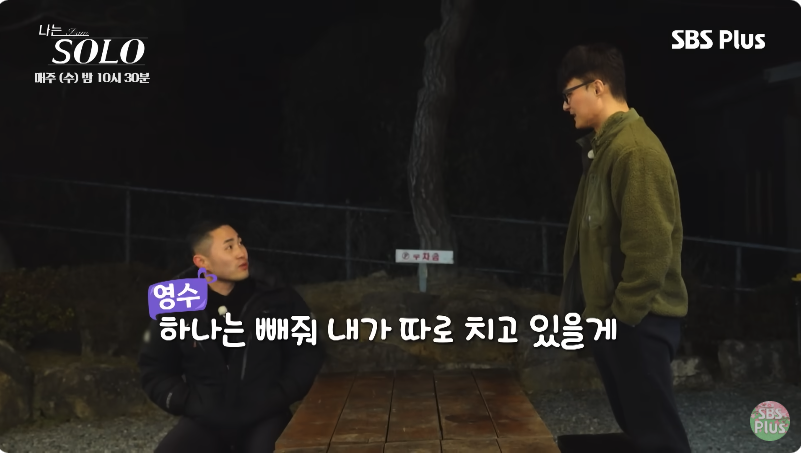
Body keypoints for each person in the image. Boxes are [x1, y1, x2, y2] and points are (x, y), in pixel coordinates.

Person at [556, 43, 692, 453]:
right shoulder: (603, 150)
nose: (565, 106)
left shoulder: (634, 150)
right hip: (620, 323)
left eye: (569, 94)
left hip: (638, 322)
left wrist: (620, 319)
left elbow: (650, 252)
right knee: (642, 435)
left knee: (660, 442)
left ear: (597, 87)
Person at [138, 220, 326, 453]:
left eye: (240, 243)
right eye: (229, 247)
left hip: (265, 416)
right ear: (202, 262)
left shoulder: (273, 293)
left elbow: (307, 349)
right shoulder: (177, 302)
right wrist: (189, 402)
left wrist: (279, 395)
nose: (241, 252)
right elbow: (155, 368)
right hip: (206, 420)